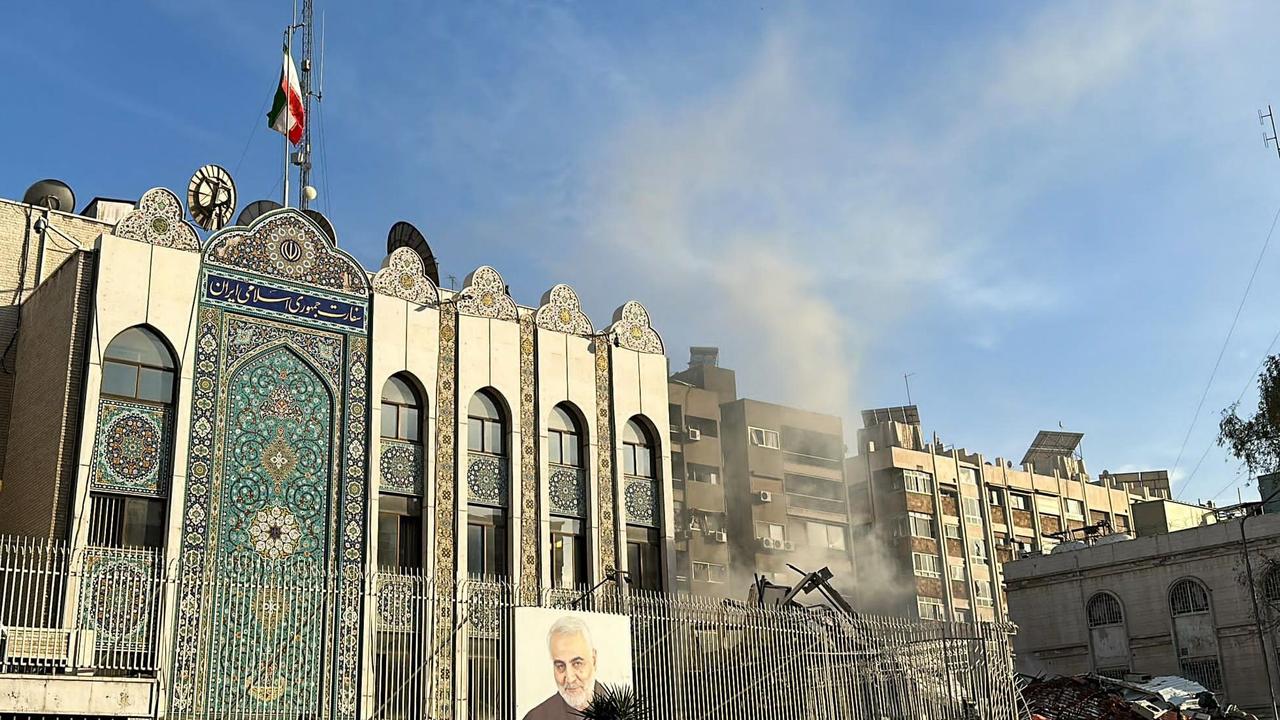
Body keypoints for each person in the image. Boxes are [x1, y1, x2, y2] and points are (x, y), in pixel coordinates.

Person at [522, 615, 603, 720]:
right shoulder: (536, 717)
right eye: (560, 666)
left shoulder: (626, 713)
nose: (569, 678)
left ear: (594, 660)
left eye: (577, 663)